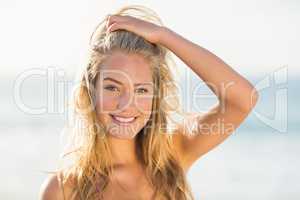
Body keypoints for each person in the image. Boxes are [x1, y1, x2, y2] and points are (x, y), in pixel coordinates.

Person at [39, 5, 258, 200]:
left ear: (156, 97)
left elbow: (242, 99)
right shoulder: (63, 190)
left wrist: (165, 37)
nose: (126, 104)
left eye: (142, 90)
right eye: (112, 87)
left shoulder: (173, 155)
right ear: (90, 91)